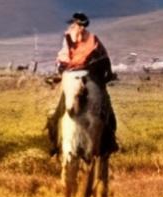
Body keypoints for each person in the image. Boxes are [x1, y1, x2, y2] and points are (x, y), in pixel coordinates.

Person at [47, 12, 117, 155]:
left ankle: (54, 144)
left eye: (77, 24)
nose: (77, 27)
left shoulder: (75, 39)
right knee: (105, 110)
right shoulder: (90, 40)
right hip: (86, 77)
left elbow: (61, 60)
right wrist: (108, 75)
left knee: (58, 112)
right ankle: (108, 142)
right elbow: (104, 59)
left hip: (73, 76)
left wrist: (61, 71)